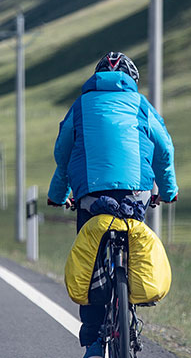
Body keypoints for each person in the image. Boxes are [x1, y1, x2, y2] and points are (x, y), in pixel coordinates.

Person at [47, 51, 178, 358]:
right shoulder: (142, 105)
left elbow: (63, 155)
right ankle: (128, 299)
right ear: (132, 80)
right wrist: (169, 191)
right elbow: (164, 150)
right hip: (136, 195)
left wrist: (58, 194)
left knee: (92, 259)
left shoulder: (80, 107)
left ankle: (93, 341)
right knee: (133, 238)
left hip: (91, 197)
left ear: (96, 78)